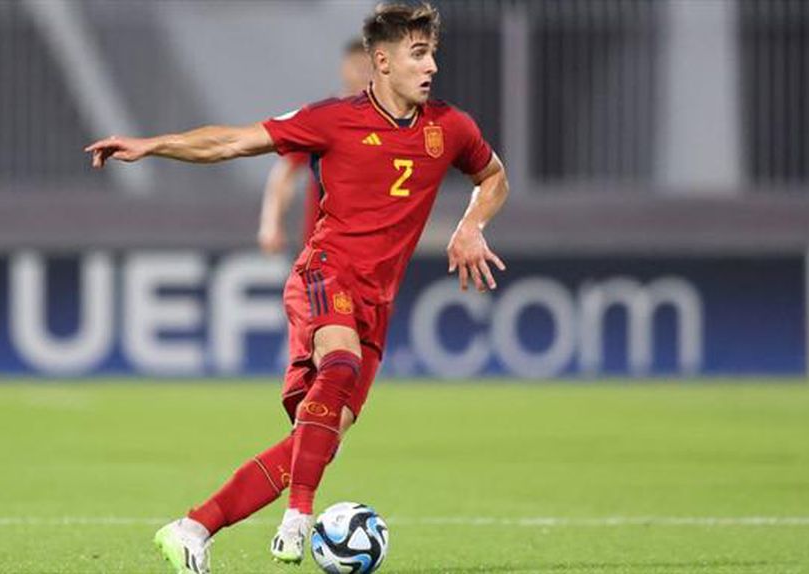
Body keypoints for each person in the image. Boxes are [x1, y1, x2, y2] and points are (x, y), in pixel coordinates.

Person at [84, 4, 509, 572]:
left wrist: (471, 225)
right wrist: (153, 145)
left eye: (432, 53)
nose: (431, 65)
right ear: (383, 62)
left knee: (318, 441)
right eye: (418, 54)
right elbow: (231, 142)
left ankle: (191, 529)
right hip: (324, 272)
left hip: (378, 301)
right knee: (340, 365)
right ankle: (298, 516)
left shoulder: (450, 127)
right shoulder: (332, 119)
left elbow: (493, 176)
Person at [258, 38, 373, 256]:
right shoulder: (322, 118)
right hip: (323, 247)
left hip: (370, 247)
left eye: (368, 68)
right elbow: (285, 171)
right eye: (358, 67)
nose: (363, 74)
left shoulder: (389, 122)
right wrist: (270, 222)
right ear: (345, 68)